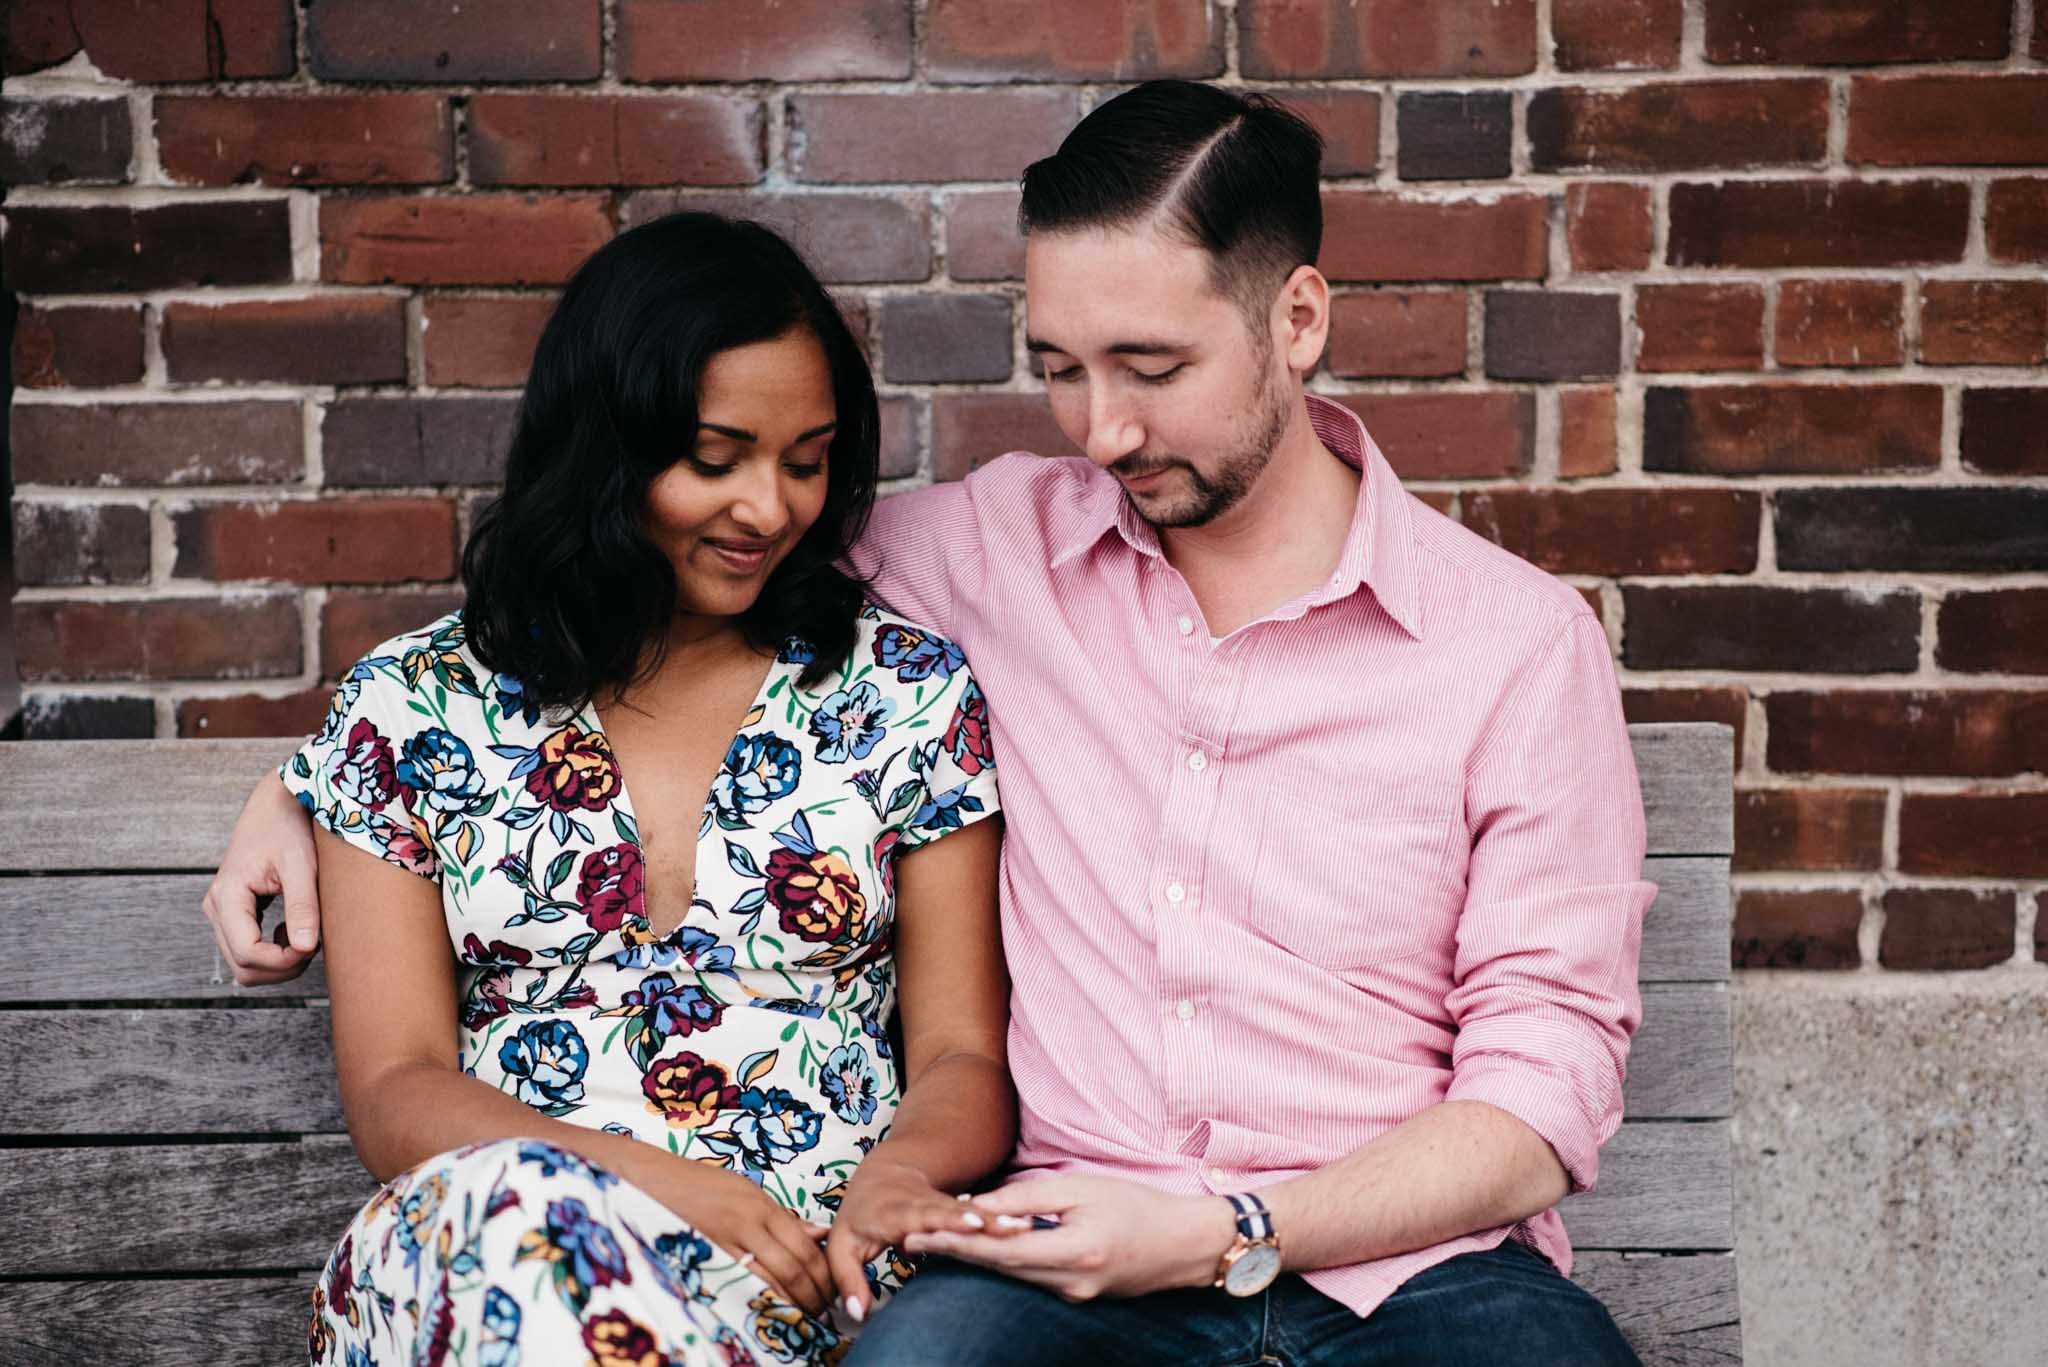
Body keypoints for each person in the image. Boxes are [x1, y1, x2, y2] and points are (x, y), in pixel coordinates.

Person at [209, 82, 1655, 1366]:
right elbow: (638, 571)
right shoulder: (993, 550)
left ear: (1299, 318)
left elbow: (1542, 1095)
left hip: (1406, 1276)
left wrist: (1225, 1225)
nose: (1101, 433)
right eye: (1060, 366)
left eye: (1150, 368)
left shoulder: (1517, 650)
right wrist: (310, 782)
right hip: (1063, 1275)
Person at [268, 212, 1012, 1367]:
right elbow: (394, 1086)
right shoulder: (412, 705)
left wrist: (899, 1178)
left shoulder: (904, 691)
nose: (768, 508)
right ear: (605, 445)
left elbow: (963, 1050)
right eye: (713, 460)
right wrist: (658, 1187)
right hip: (483, 1249)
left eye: (805, 461)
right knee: (525, 1229)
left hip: (806, 1271)